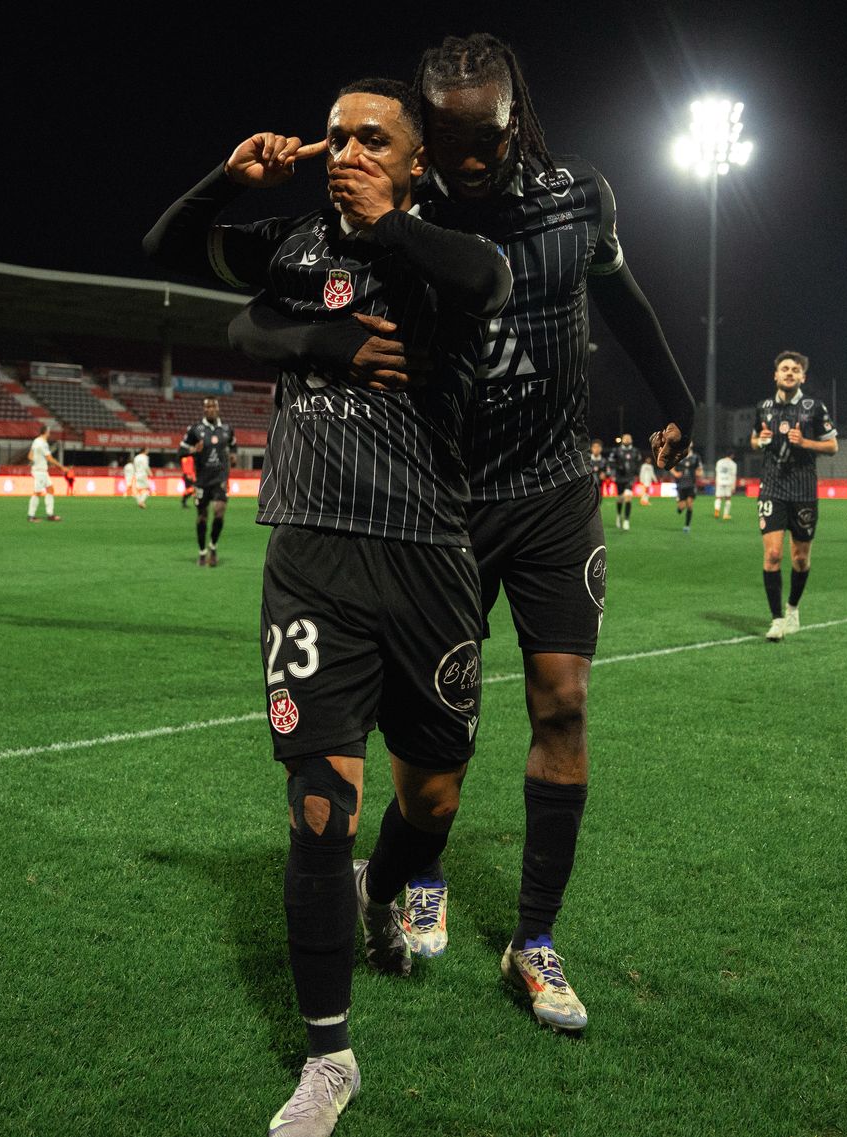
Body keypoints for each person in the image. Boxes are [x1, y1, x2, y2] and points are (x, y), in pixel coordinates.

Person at [211, 33, 697, 1040]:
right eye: (452, 138)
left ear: (517, 117)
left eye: (489, 134)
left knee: (562, 702)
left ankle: (534, 939)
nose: (472, 156)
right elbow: (266, 306)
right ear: (425, 136)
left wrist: (678, 399)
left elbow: (625, 301)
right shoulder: (395, 207)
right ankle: (416, 870)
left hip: (556, 488)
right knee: (435, 751)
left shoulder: (578, 197)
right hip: (441, 503)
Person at [146, 74, 511, 1136]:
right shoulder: (298, 246)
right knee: (316, 807)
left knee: (433, 800)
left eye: (372, 140)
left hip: (430, 558)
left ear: (414, 164)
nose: (346, 150)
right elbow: (172, 253)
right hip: (309, 552)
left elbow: (480, 284)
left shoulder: (444, 247)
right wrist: (228, 179)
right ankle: (327, 1059)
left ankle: (384, 887)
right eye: (335, 134)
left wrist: (384, 227)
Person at [752, 351, 839, 641]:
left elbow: (833, 447)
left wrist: (805, 443)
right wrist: (759, 441)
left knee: (800, 559)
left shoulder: (814, 407)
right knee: (773, 554)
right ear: (776, 375)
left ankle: (793, 609)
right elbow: (755, 439)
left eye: (795, 369)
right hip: (772, 487)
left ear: (802, 377)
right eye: (784, 368)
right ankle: (776, 620)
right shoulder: (763, 407)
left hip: (803, 490)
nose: (789, 373)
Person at [181, 396, 237, 565]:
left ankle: (213, 546)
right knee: (202, 517)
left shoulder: (227, 429)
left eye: (213, 406)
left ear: (218, 408)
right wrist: (192, 449)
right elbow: (180, 450)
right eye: (207, 406)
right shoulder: (195, 430)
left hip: (220, 478)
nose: (210, 409)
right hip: (201, 480)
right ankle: (202, 551)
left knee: (219, 511)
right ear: (204, 409)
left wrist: (233, 455)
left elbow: (233, 444)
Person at [26, 422, 69, 522]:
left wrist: (35, 460)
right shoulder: (43, 444)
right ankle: (31, 516)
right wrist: (61, 467)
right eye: (49, 432)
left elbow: (30, 456)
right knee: (37, 492)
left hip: (41, 470)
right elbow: (49, 458)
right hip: (40, 471)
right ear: (46, 432)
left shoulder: (36, 441)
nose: (50, 433)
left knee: (50, 489)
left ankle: (50, 514)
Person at [606, 432, 642, 531]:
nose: (627, 440)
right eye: (625, 438)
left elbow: (639, 463)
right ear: (622, 440)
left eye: (629, 438)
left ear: (631, 440)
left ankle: (626, 520)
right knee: (620, 499)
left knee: (628, 497)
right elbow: (610, 462)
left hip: (630, 478)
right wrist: (615, 470)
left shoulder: (635, 451)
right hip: (619, 478)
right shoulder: (616, 450)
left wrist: (637, 475)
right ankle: (618, 515)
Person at [671, 447, 701, 532]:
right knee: (682, 506)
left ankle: (687, 526)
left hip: (691, 484)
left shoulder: (696, 457)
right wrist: (675, 473)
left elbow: (700, 470)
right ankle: (679, 509)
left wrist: (699, 473)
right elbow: (670, 466)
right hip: (681, 485)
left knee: (690, 504)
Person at [713, 452, 739, 520]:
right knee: (728, 498)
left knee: (718, 498)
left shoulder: (719, 462)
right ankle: (725, 514)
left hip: (720, 481)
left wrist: (716, 482)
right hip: (728, 482)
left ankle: (717, 511)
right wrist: (733, 487)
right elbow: (733, 475)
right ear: (732, 455)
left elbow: (717, 473)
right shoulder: (733, 464)